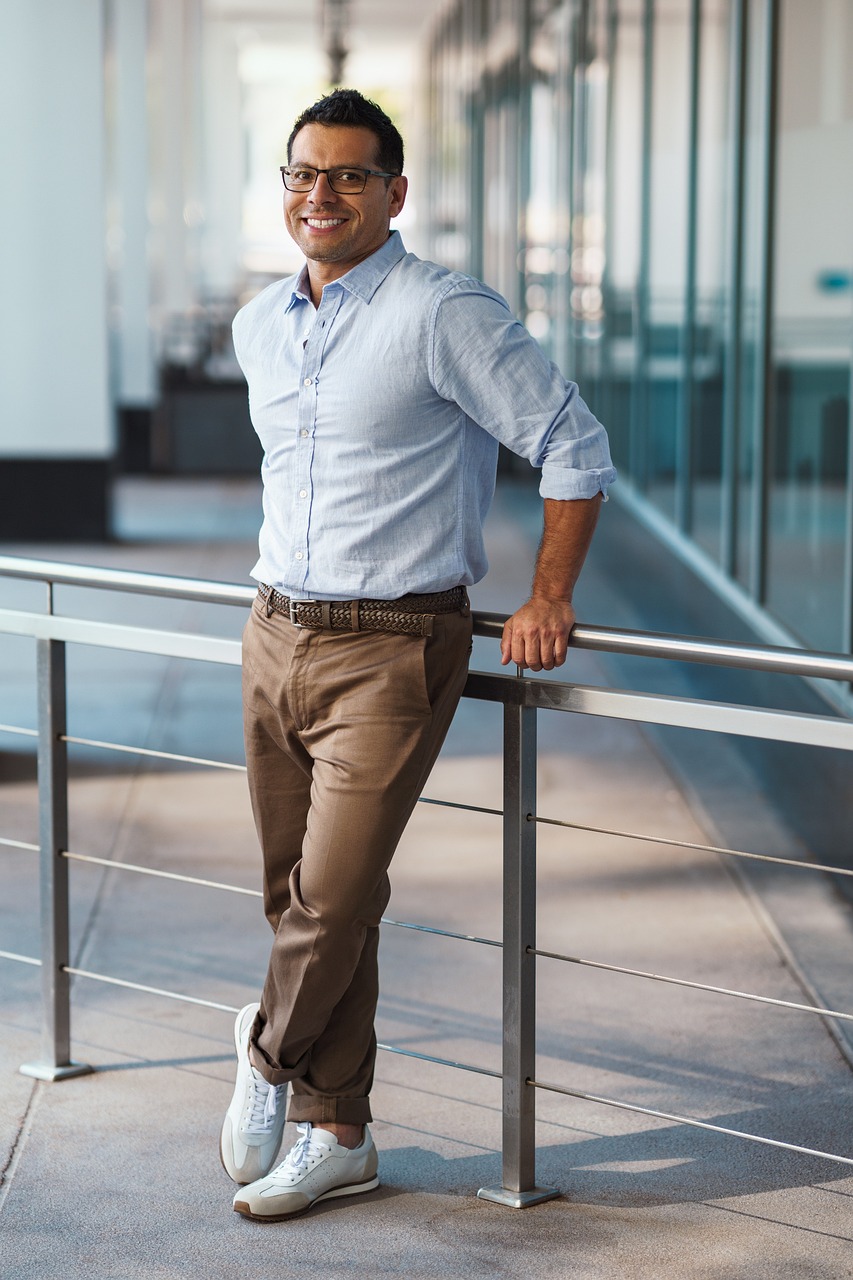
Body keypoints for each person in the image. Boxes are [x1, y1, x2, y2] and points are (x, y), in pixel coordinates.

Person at [220, 88, 615, 1223]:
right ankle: (338, 1131)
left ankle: (261, 1057)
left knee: (331, 898)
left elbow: (571, 444)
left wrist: (547, 592)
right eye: (305, 172)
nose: (321, 193)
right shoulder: (259, 323)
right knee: (298, 900)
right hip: (272, 629)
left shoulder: (444, 311)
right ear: (284, 186)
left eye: (348, 175)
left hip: (393, 645)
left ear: (395, 192)